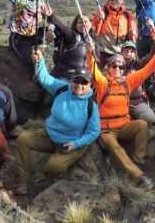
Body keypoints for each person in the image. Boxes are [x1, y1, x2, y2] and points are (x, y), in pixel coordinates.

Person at [14, 49, 100, 189]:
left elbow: (94, 132)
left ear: (90, 84)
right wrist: (40, 61)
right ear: (71, 80)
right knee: (23, 139)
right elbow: (45, 80)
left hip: (71, 143)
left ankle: (43, 175)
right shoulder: (63, 89)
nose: (79, 85)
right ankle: (22, 180)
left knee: (53, 166)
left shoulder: (91, 106)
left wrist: (76, 144)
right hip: (49, 135)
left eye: (84, 82)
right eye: (76, 80)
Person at [89, 40, 155, 188]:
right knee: (116, 147)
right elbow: (93, 68)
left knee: (142, 125)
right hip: (106, 129)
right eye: (114, 65)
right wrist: (90, 51)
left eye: (121, 66)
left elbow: (147, 70)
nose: (118, 68)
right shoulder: (102, 83)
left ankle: (139, 160)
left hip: (124, 125)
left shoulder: (128, 82)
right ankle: (138, 176)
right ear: (108, 67)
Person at [91, 0, 138, 65]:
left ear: (121, 0)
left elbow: (133, 35)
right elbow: (94, 33)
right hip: (103, 53)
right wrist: (99, 20)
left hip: (121, 54)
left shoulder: (128, 16)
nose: (113, 1)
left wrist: (133, 49)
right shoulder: (101, 13)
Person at [120, 41, 155, 125]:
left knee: (150, 118)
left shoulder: (139, 65)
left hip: (136, 101)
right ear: (121, 51)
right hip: (119, 100)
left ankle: (135, 122)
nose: (129, 53)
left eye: (132, 51)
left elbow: (150, 57)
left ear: (135, 53)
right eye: (126, 50)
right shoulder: (115, 64)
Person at [50, 14, 93, 80]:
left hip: (81, 77)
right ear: (75, 25)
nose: (83, 24)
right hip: (64, 76)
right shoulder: (72, 36)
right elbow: (62, 27)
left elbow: (97, 60)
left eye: (85, 22)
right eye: (80, 22)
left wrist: (93, 49)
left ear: (90, 24)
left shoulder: (92, 40)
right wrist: (51, 15)